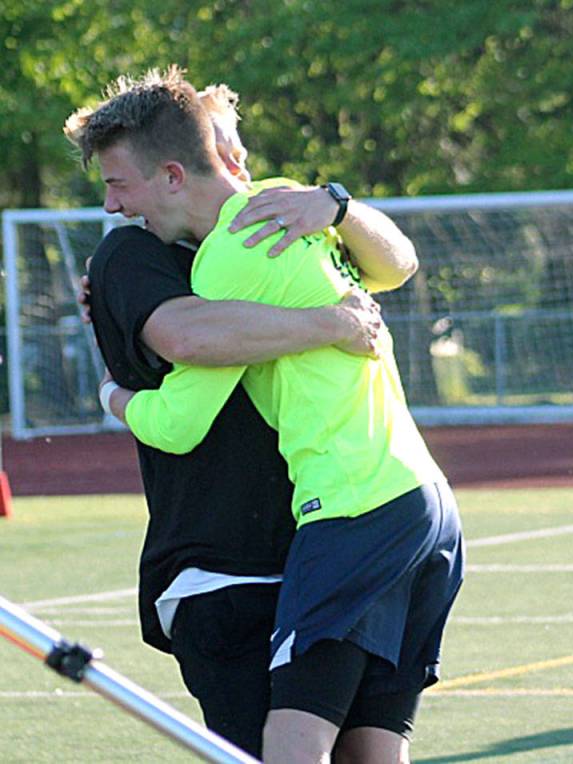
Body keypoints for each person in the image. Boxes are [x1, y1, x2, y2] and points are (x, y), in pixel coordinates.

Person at [66, 67, 464, 764]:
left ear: (170, 174)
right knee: (375, 749)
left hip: (347, 508)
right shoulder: (280, 206)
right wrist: (333, 313)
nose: (110, 205)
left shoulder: (233, 250)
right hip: (423, 501)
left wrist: (107, 397)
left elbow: (182, 404)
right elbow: (396, 271)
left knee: (285, 751)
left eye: (115, 184)